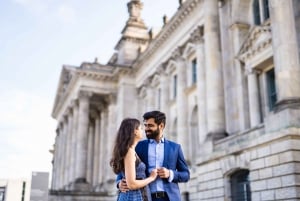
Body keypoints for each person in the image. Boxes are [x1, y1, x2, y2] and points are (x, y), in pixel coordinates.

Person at [118, 111, 190, 201]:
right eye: (145, 125)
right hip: (146, 197)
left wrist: (170, 173)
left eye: (150, 126)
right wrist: (119, 183)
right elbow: (123, 170)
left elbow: (186, 174)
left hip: (170, 198)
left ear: (161, 126)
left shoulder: (175, 148)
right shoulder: (138, 146)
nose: (146, 129)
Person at [110, 118, 158, 201]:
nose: (143, 130)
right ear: (135, 131)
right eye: (140, 128)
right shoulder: (129, 152)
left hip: (135, 195)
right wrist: (151, 178)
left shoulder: (130, 151)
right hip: (133, 196)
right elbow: (131, 184)